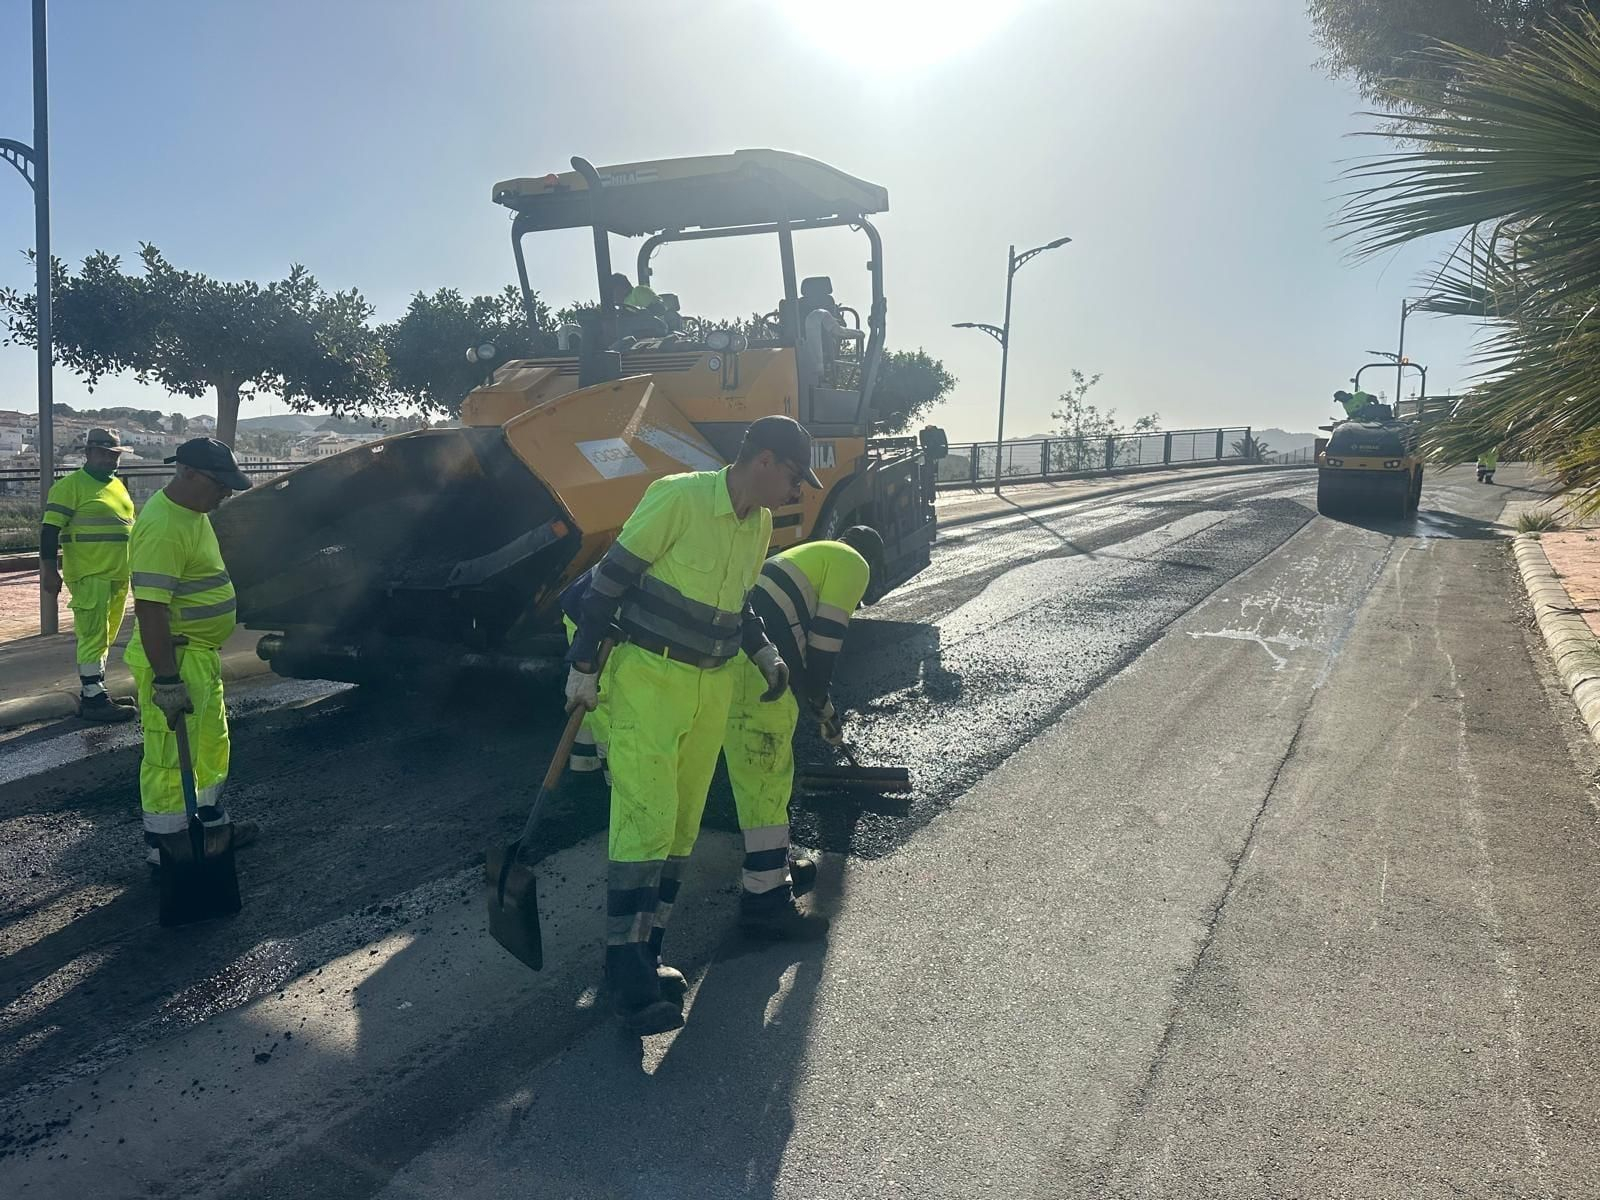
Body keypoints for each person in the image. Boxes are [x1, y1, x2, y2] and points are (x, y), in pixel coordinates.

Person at [565, 415, 821, 1035]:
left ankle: (647, 951)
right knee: (645, 818)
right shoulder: (678, 498)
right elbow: (609, 581)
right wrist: (581, 665)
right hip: (648, 680)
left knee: (680, 825)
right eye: (793, 476)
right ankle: (623, 965)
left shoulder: (758, 524)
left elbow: (738, 606)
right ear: (763, 460)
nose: (797, 490)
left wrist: (763, 653)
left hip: (709, 684)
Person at [725, 527, 883, 939]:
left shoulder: (810, 556)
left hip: (737, 646)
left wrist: (819, 704)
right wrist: (823, 704)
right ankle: (766, 901)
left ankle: (776, 864)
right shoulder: (853, 563)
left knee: (751, 771)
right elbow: (823, 645)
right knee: (766, 775)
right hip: (757, 664)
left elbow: (793, 642)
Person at [125, 439, 258, 868]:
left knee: (207, 746)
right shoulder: (163, 527)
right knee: (168, 758)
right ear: (187, 473)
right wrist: (166, 680)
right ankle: (170, 850)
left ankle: (211, 827)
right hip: (176, 660)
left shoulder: (193, 513)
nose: (227, 493)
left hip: (197, 656)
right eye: (220, 484)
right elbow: (150, 610)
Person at [39, 429, 138, 721]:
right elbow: (49, 531)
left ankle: (95, 689)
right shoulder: (70, 486)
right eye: (105, 453)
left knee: (105, 635)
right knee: (93, 634)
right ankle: (94, 699)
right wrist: (48, 570)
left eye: (115, 454)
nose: (111, 459)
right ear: (89, 453)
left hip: (118, 573)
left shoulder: (118, 486)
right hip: (90, 572)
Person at [799, 284, 865, 385]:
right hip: (821, 354)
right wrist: (858, 333)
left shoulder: (797, 305)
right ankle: (826, 374)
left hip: (795, 352)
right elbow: (838, 328)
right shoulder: (828, 304)